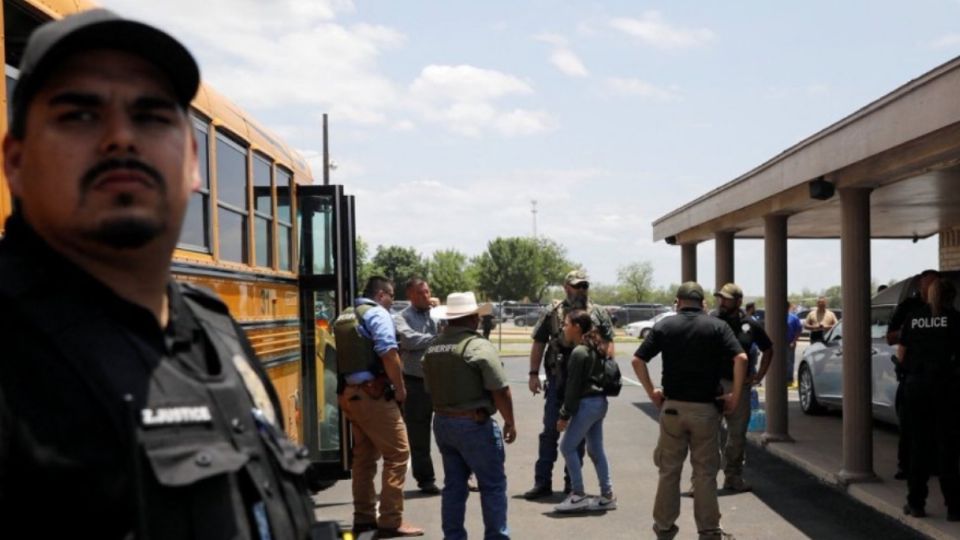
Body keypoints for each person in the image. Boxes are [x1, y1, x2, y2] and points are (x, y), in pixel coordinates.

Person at [0, 9, 319, 538]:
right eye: (79, 115)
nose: (121, 138)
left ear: (192, 162)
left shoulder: (216, 333)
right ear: (14, 161)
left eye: (152, 116)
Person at [632, 282, 747, 540]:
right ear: (702, 301)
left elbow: (637, 360)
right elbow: (741, 358)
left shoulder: (665, 326)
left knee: (669, 471)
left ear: (678, 301)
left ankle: (664, 529)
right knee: (705, 473)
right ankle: (708, 531)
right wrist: (735, 396)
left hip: (672, 409)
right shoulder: (717, 326)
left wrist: (652, 391)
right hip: (706, 410)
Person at [423, 292, 517, 540]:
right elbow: (500, 390)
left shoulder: (433, 347)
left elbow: (428, 387)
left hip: (443, 422)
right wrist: (510, 422)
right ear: (474, 318)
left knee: (454, 486)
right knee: (493, 486)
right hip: (474, 423)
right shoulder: (478, 346)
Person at [335, 276, 423, 537]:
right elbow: (388, 352)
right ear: (381, 294)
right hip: (373, 396)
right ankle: (390, 521)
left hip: (350, 394)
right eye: (391, 295)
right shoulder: (377, 314)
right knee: (398, 455)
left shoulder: (346, 315)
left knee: (363, 458)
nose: (392, 301)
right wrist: (400, 388)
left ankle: (363, 518)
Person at [525, 269, 615, 500]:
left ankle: (571, 485)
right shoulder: (553, 312)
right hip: (557, 381)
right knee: (549, 432)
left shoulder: (597, 313)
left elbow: (608, 343)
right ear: (567, 287)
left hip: (585, 386)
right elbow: (539, 342)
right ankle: (542, 482)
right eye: (577, 285)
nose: (582, 289)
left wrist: (605, 370)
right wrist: (533, 373)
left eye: (585, 285)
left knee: (579, 436)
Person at [897, 278, 960, 521]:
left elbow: (901, 354)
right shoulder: (955, 320)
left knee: (919, 447)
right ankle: (954, 507)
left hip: (917, 387)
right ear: (950, 296)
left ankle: (916, 503)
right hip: (947, 388)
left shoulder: (914, 317)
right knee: (948, 449)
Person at [711, 284, 773, 493]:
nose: (722, 302)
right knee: (709, 434)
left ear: (738, 301)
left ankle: (733, 477)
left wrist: (758, 375)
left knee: (737, 435)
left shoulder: (750, 325)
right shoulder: (712, 321)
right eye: (720, 298)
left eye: (727, 299)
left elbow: (768, 348)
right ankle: (703, 481)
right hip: (713, 385)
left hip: (740, 386)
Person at [555, 310, 616, 513]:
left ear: (577, 327)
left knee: (567, 447)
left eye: (566, 324)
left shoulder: (580, 352)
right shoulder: (595, 348)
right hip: (599, 403)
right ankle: (607, 495)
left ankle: (578, 494)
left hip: (587, 405)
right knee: (595, 449)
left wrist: (564, 415)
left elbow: (573, 388)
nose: (564, 327)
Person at [886, 269, 940, 481]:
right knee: (909, 425)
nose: (934, 289)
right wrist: (915, 331)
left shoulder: (947, 311)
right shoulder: (909, 309)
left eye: (937, 284)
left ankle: (936, 465)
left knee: (939, 426)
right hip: (913, 376)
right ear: (921, 286)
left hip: (942, 379)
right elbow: (891, 338)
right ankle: (906, 466)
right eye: (930, 284)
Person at [394, 277, 440, 495]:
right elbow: (408, 340)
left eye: (428, 292)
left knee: (453, 430)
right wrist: (437, 339)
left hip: (442, 382)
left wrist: (440, 320)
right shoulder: (402, 317)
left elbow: (455, 331)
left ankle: (462, 476)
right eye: (420, 293)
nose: (426, 296)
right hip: (416, 383)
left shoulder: (437, 314)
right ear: (410, 295)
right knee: (419, 435)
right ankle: (426, 479)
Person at [786, 302, 803, 388]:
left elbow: (799, 330)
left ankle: (789, 379)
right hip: (778, 343)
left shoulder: (794, 318)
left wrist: (794, 341)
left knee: (789, 362)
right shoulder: (776, 316)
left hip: (790, 343)